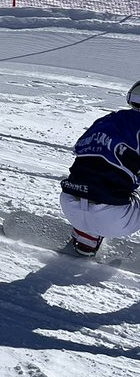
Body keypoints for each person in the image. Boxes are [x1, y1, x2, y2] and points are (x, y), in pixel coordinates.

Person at [59, 80, 140, 256]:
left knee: (98, 181)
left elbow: (80, 149)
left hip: (69, 204)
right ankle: (91, 231)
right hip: (115, 217)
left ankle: (85, 240)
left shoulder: (107, 120)